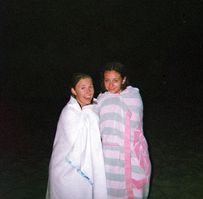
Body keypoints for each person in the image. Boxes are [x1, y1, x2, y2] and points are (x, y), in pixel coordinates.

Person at [46, 73, 107, 199]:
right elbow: (74, 143)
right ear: (73, 91)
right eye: (83, 88)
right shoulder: (69, 112)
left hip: (88, 166)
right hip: (66, 169)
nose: (88, 92)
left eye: (91, 87)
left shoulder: (95, 107)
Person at [96, 62, 151, 199]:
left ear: (124, 80)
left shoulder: (133, 97)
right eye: (107, 80)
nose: (110, 85)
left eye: (115, 80)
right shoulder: (102, 99)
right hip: (109, 154)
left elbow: (136, 124)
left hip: (132, 152)